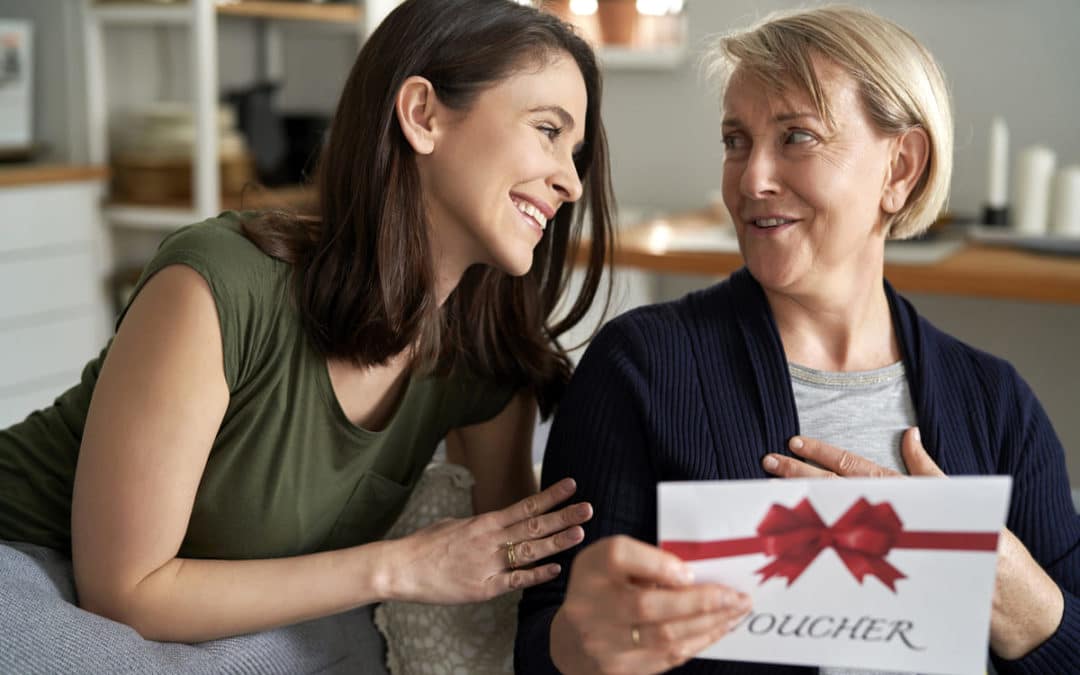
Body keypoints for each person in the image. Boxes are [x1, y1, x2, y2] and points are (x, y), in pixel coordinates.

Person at [0, 0, 615, 671]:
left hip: (188, 599)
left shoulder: (484, 360)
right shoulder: (217, 284)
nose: (572, 182)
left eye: (576, 152)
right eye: (548, 131)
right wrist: (399, 565)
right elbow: (124, 592)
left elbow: (518, 564)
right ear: (422, 115)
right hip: (28, 557)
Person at [516, 6, 1079, 675]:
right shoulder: (640, 367)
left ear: (901, 167)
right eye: (735, 140)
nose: (752, 178)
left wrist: (1017, 594)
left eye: (797, 137)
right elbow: (542, 643)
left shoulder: (997, 404)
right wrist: (585, 644)